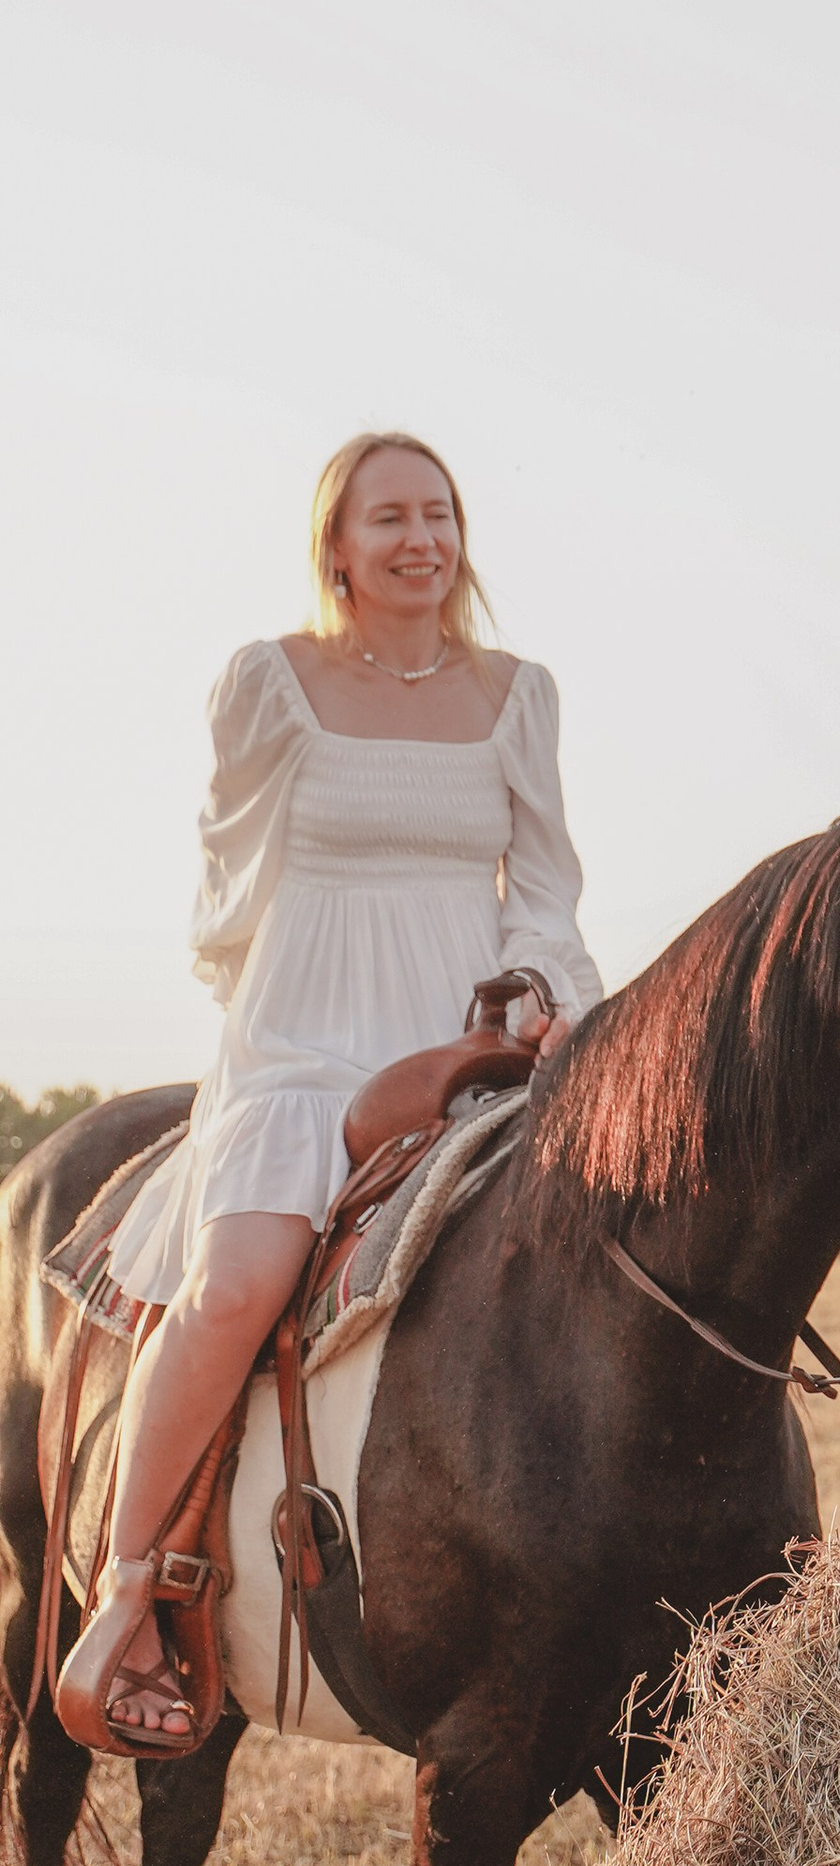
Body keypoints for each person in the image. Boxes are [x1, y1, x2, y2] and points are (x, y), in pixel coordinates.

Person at [55, 430, 604, 1753]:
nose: (422, 538)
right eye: (391, 519)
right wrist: (278, 1024)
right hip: (301, 1036)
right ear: (338, 549)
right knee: (238, 1281)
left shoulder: (516, 693)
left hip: (456, 1043)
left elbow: (543, 889)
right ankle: (130, 1592)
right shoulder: (271, 682)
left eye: (441, 514)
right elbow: (229, 895)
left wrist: (534, 981)